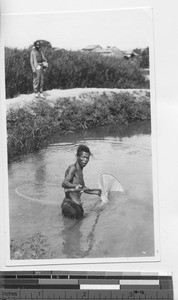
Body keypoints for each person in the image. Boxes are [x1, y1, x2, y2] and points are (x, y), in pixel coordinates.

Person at [61, 144, 101, 220]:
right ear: (78, 157)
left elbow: (83, 188)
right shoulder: (73, 168)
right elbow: (64, 183)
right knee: (73, 226)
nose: (85, 160)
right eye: (84, 157)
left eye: (87, 158)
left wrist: (96, 192)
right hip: (69, 206)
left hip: (77, 205)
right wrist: (74, 186)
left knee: (80, 224)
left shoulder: (80, 171)